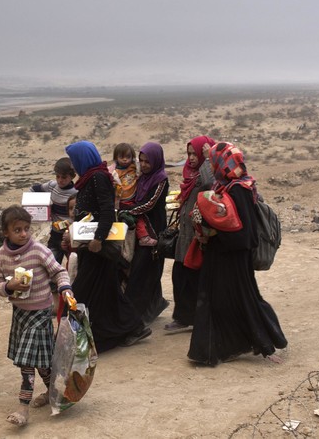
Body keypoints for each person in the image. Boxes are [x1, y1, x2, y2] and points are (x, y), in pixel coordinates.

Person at [188, 142, 287, 366]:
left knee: (243, 299)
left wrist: (212, 233)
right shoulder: (230, 185)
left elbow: (242, 232)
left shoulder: (237, 189)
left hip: (231, 256)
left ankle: (264, 345)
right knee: (220, 301)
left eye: (213, 161)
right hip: (223, 255)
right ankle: (219, 348)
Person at [0, 206, 74, 427]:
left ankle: (22, 409)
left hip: (41, 314)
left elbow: (59, 271)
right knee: (41, 363)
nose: (23, 233)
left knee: (27, 362)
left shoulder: (38, 251)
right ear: (5, 233)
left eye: (26, 228)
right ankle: (53, 391)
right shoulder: (1, 256)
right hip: (20, 314)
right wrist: (9, 286)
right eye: (17, 230)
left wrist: (65, 288)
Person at [65, 140, 150, 352]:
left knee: (82, 292)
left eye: (75, 161)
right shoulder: (88, 178)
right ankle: (131, 328)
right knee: (108, 291)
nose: (74, 166)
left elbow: (106, 211)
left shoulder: (98, 177)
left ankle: (81, 339)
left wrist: (98, 239)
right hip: (89, 247)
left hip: (97, 248)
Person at [166, 135, 216, 332]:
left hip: (199, 235)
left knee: (195, 278)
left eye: (195, 154)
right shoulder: (190, 173)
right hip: (185, 233)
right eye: (189, 154)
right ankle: (184, 317)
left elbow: (210, 185)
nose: (192, 158)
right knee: (180, 275)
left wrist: (208, 158)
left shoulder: (208, 172)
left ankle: (196, 318)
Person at [122, 142, 170, 324]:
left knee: (143, 270)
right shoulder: (142, 178)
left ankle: (135, 315)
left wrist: (128, 210)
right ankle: (154, 305)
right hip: (142, 229)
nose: (144, 165)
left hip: (154, 230)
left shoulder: (161, 180)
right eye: (141, 161)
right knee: (146, 269)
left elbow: (150, 203)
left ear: (156, 161)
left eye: (147, 161)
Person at [30, 157, 78, 263]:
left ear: (72, 176)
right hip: (55, 233)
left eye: (64, 177)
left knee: (73, 264)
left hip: (70, 235)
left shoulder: (76, 192)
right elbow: (34, 189)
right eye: (58, 176)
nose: (60, 180)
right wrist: (42, 207)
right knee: (51, 264)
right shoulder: (52, 186)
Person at [108, 143, 140, 212]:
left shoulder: (134, 167)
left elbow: (139, 164)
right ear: (116, 158)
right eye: (121, 157)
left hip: (133, 199)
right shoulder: (113, 171)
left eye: (128, 157)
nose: (125, 159)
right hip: (119, 201)